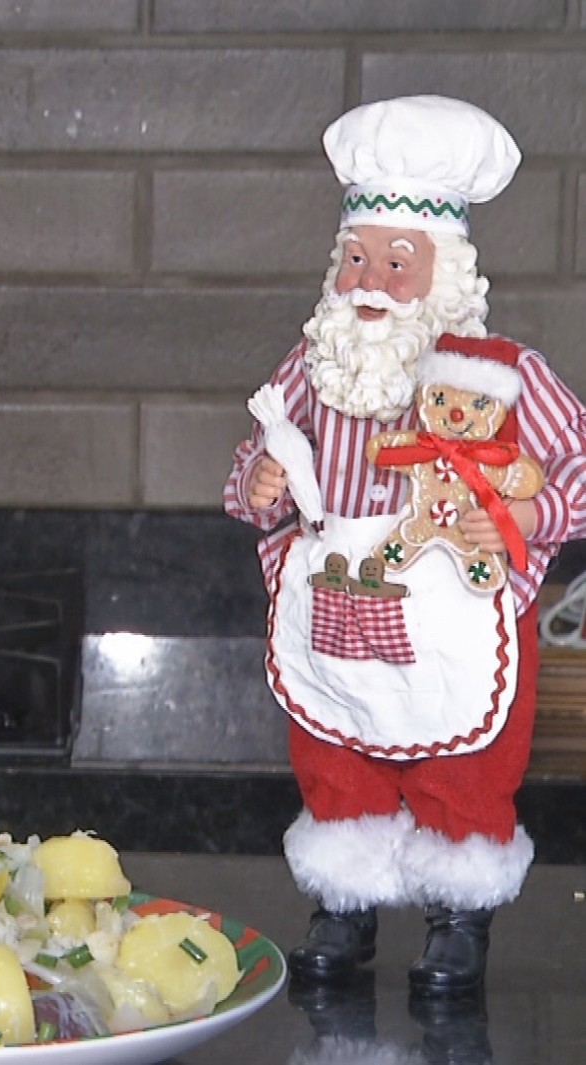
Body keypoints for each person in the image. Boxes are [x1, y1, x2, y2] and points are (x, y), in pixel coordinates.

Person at [224, 96, 586, 996]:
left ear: (444, 269)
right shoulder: (311, 366)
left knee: (460, 763)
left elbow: (576, 466)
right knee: (337, 751)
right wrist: (258, 482)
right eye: (355, 259)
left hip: (454, 610)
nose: (371, 282)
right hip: (339, 607)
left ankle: (458, 920)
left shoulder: (502, 374)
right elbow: (255, 462)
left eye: (396, 261)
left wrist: (527, 518)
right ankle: (343, 912)